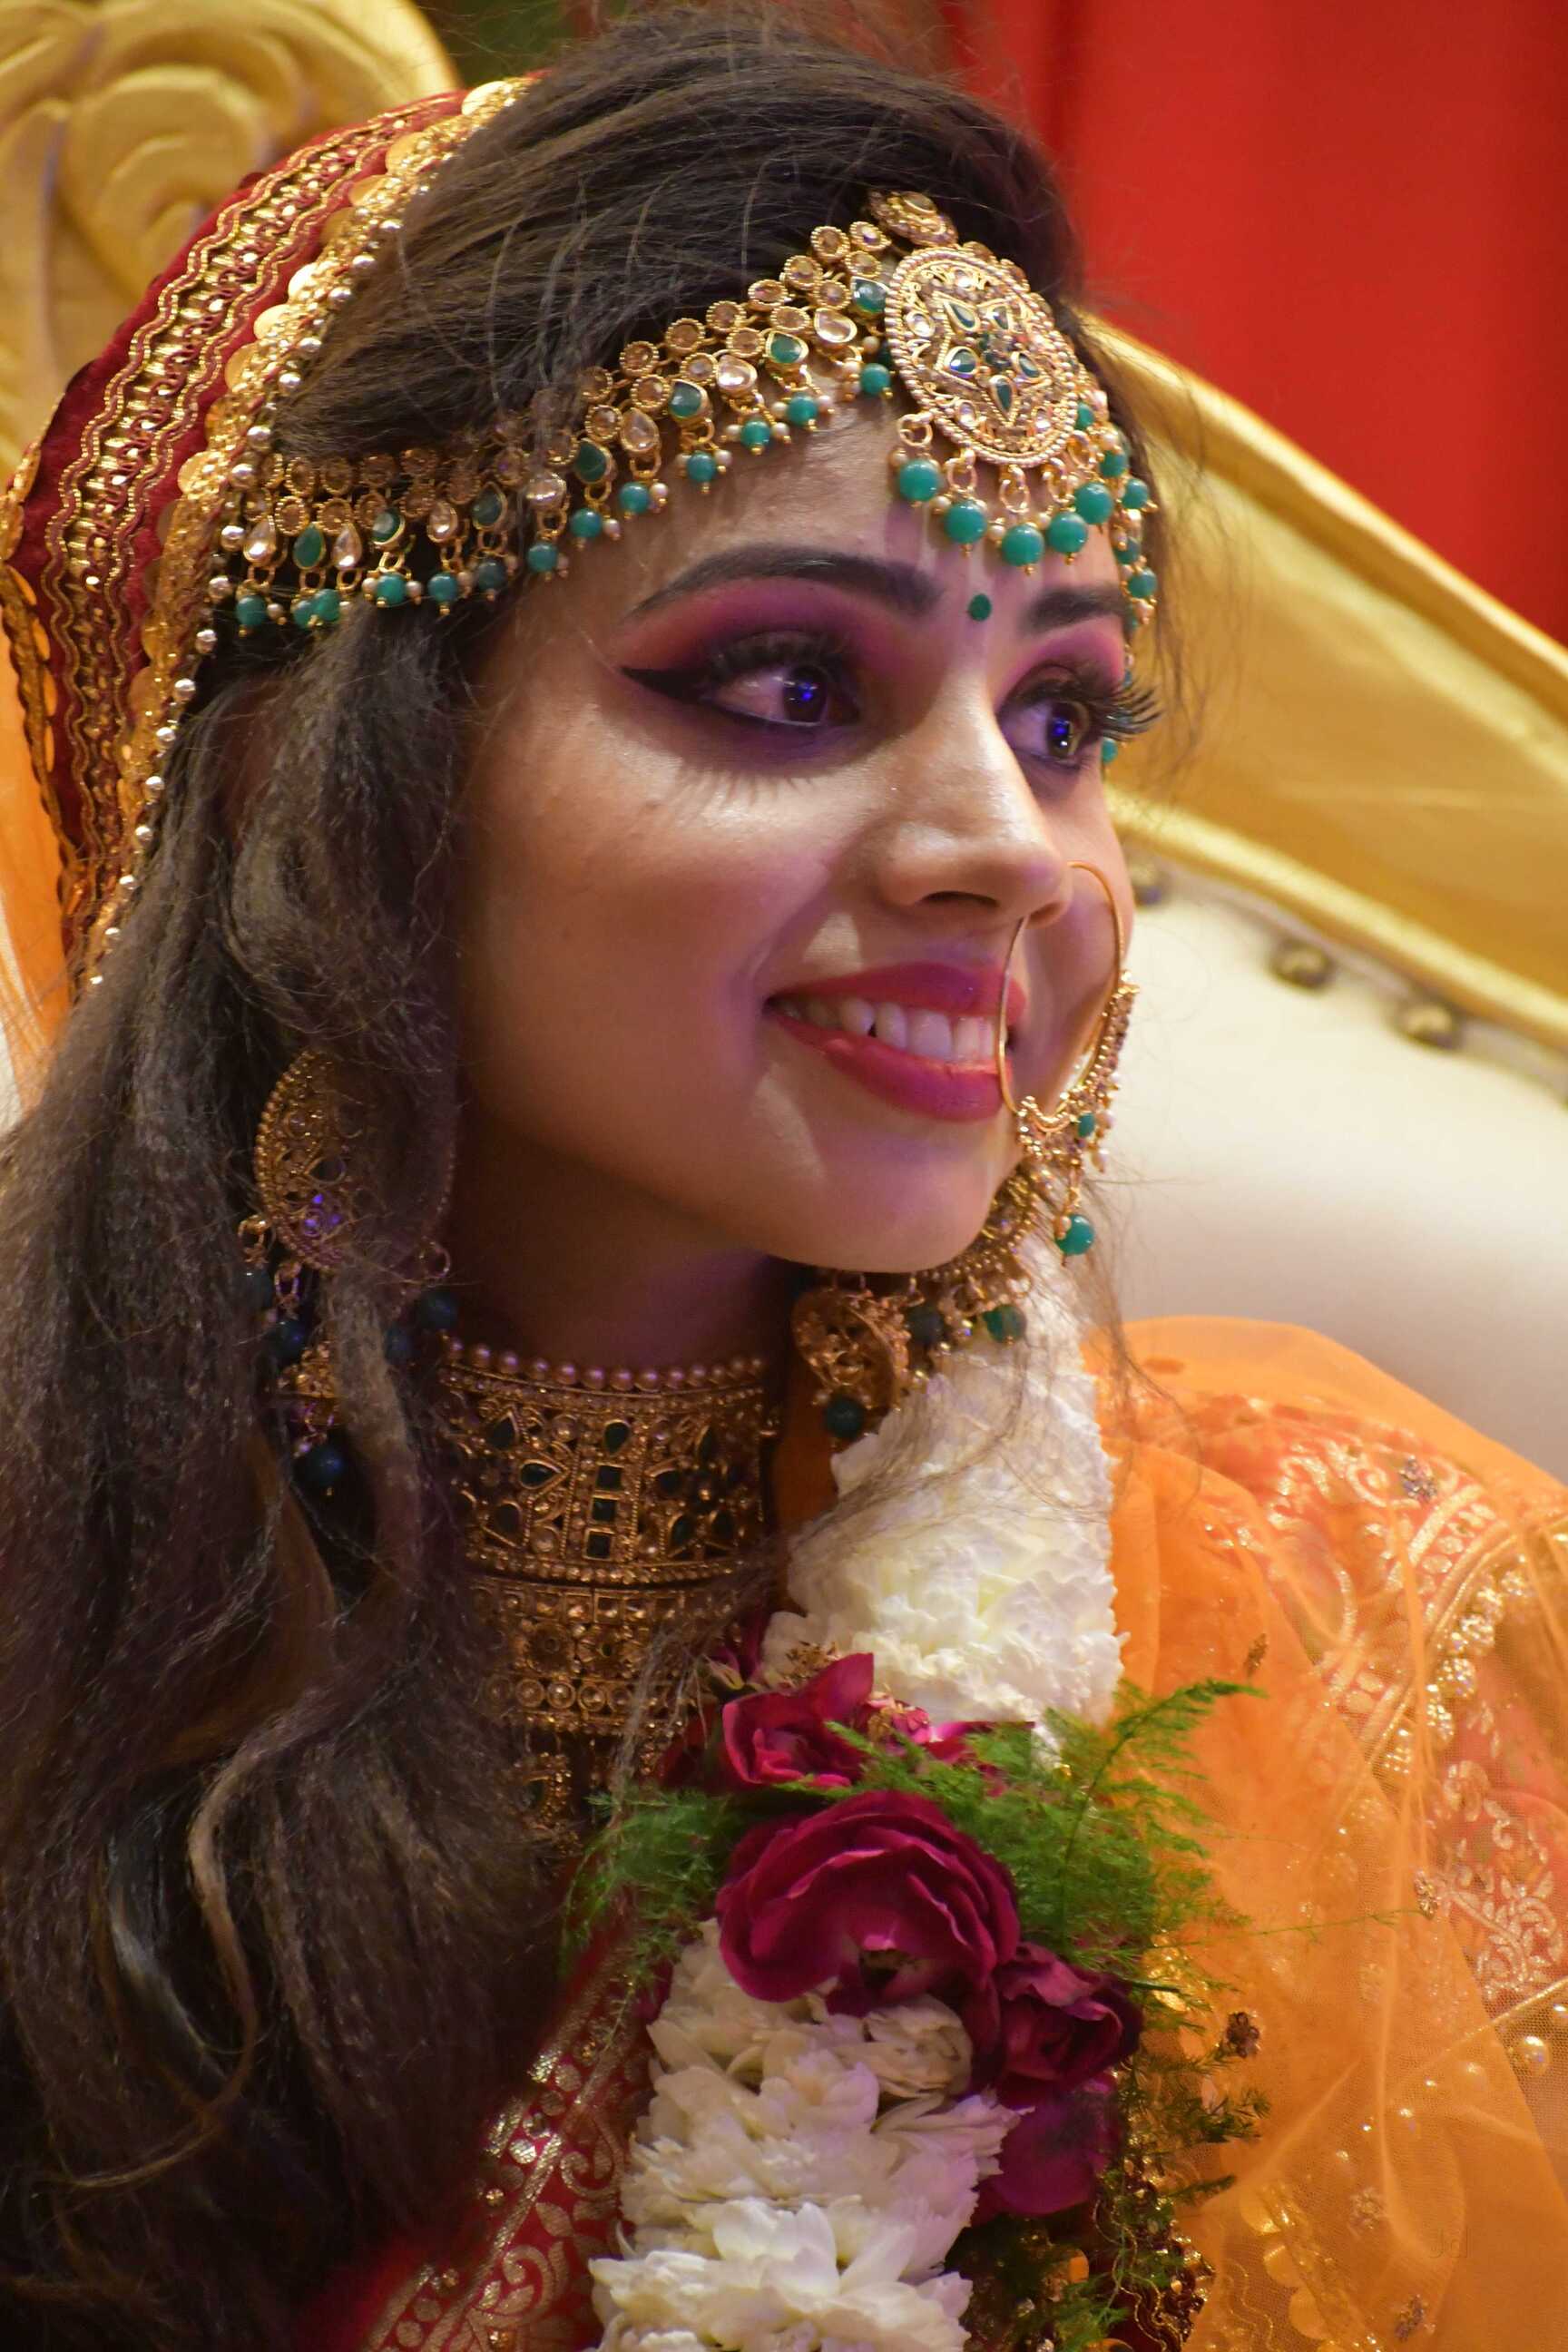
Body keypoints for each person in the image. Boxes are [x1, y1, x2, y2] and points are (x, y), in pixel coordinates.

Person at [0, 13, 1563, 2351]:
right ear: (321, 792)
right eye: (789, 685)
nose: (1009, 849)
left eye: (1067, 717)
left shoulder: (1356, 1660)